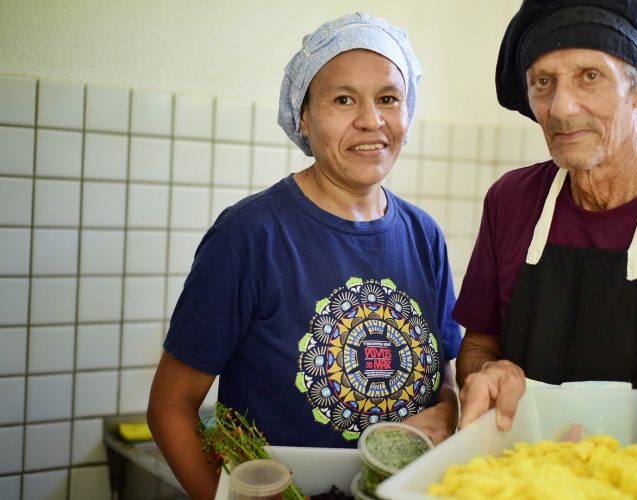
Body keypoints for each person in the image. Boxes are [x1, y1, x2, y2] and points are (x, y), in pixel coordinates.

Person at [147, 12, 462, 500]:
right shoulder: (249, 236)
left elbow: (444, 382)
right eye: (342, 99)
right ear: (304, 117)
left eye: (388, 98)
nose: (371, 120)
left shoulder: (424, 236)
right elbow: (171, 407)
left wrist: (448, 412)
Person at [453, 1, 637, 498]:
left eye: (589, 75)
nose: (562, 107)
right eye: (543, 82)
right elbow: (479, 346)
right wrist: (485, 371)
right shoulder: (510, 203)